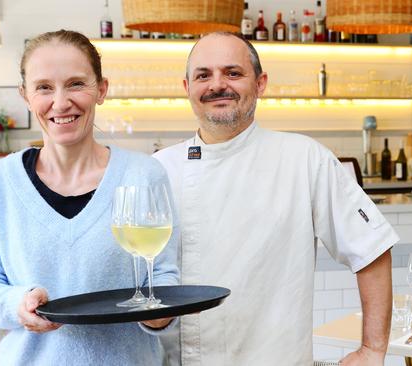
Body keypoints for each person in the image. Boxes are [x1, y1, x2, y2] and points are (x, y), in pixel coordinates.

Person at [153, 32, 399, 365]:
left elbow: (371, 247)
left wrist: (372, 349)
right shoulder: (158, 169)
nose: (217, 85)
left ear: (261, 83)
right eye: (203, 75)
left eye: (233, 73)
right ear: (187, 88)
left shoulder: (304, 158)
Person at [0, 30, 178, 365]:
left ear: (101, 90)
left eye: (76, 84)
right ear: (26, 96)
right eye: (44, 87)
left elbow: (162, 276)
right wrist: (18, 302)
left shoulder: (144, 174)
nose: (61, 103)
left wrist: (159, 314)